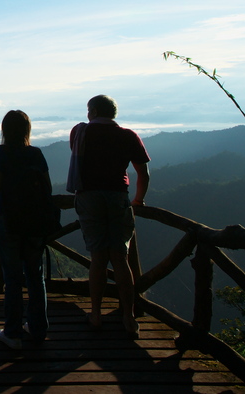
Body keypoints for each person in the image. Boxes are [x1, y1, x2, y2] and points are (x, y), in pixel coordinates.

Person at [67, 94, 150, 336]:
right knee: (120, 259)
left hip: (88, 196)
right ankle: (128, 317)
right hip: (117, 196)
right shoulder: (128, 136)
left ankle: (95, 314)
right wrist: (139, 199)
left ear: (92, 111)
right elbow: (143, 172)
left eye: (88, 110)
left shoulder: (79, 133)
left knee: (98, 258)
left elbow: (76, 151)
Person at [0, 110, 50, 349]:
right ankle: (38, 329)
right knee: (35, 277)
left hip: (8, 220)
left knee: (13, 278)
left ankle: (13, 333)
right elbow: (47, 188)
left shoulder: (1, 153)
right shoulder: (36, 153)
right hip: (35, 222)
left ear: (5, 130)